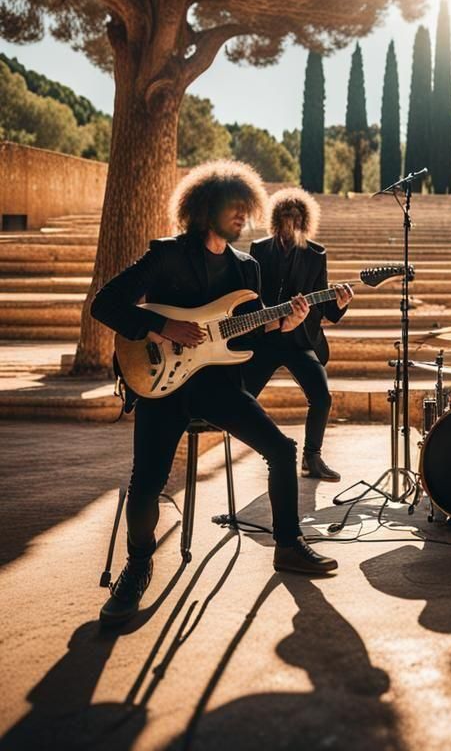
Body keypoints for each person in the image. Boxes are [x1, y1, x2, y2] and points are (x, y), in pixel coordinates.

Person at [91, 161, 337, 626]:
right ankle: (137, 566)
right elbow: (105, 303)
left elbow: (250, 339)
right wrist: (164, 325)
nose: (244, 215)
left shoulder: (247, 267)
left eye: (248, 207)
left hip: (216, 387)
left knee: (283, 451)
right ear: (205, 209)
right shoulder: (165, 255)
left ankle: (287, 545)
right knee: (146, 480)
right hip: (161, 386)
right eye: (234, 207)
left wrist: (285, 322)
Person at [242, 187, 352, 482]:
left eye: (296, 217)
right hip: (265, 339)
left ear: (305, 221)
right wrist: (273, 320)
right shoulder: (259, 249)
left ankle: (311, 458)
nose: (291, 222)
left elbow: (326, 309)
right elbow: (251, 297)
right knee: (240, 396)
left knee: (321, 397)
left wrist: (339, 304)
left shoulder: (317, 255)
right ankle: (270, 449)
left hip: (300, 340)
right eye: (285, 216)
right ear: (276, 219)